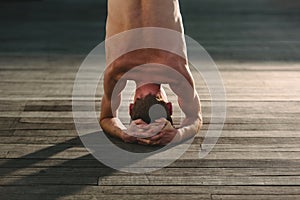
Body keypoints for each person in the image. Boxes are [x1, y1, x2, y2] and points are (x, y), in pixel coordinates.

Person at [100, 0, 202, 146]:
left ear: (169, 106)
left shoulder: (176, 70)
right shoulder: (116, 70)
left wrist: (178, 134)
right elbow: (106, 118)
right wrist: (123, 132)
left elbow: (195, 119)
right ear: (130, 107)